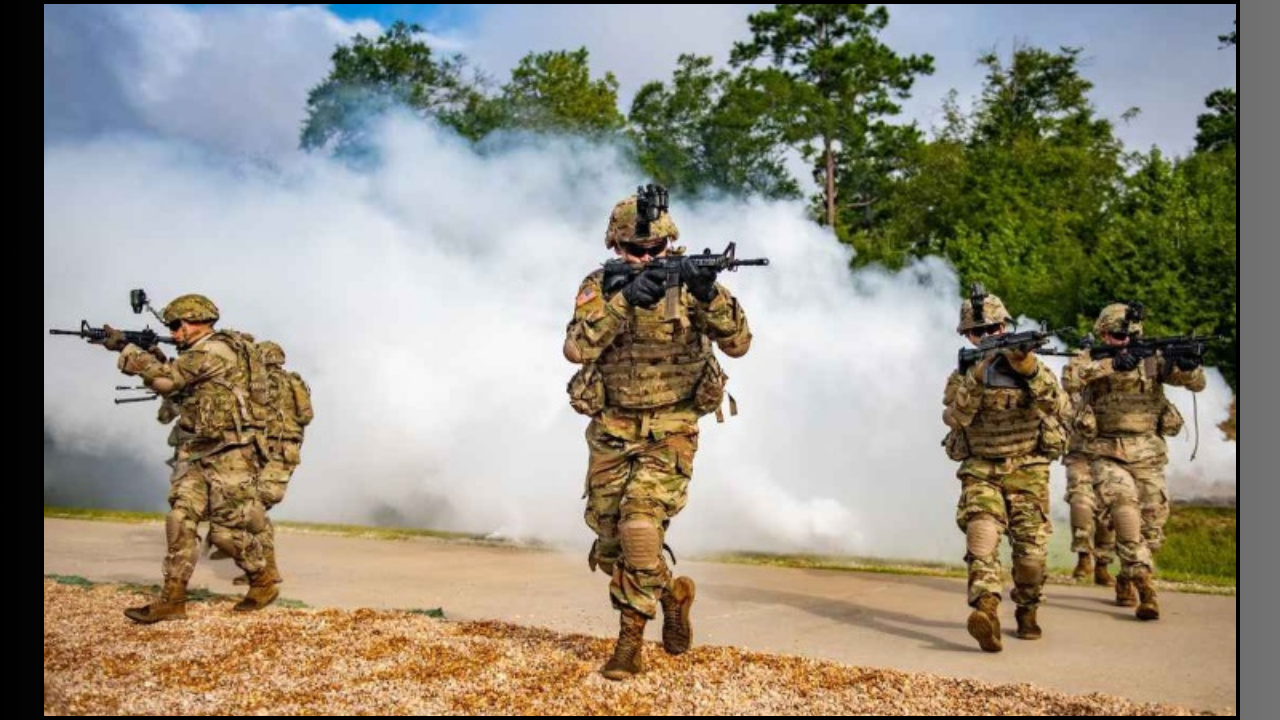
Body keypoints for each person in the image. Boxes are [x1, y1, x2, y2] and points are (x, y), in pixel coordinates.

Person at [563, 185, 753, 679]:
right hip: (611, 427)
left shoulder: (691, 283)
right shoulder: (600, 285)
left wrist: (708, 292)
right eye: (636, 251)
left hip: (671, 425)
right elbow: (576, 348)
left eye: (656, 251)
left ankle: (629, 643)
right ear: (615, 248)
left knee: (640, 528)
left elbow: (739, 344)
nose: (647, 258)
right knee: (611, 549)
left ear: (670, 244)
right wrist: (626, 301)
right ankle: (671, 593)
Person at [92, 293, 278, 623]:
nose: (175, 333)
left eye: (177, 326)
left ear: (195, 322)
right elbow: (181, 385)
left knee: (227, 534)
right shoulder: (202, 353)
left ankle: (262, 582)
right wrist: (151, 353)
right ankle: (173, 598)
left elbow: (167, 380)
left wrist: (126, 349)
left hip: (230, 454)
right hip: (197, 450)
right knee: (180, 518)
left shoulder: (213, 350)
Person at [941, 285, 1069, 652]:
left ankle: (1027, 611)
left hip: (1028, 466)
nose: (986, 337)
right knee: (981, 537)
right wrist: (978, 379)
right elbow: (955, 416)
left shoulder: (1031, 366)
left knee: (1031, 556)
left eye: (993, 330)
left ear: (1006, 328)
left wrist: (1027, 369)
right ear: (967, 335)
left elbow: (1058, 405)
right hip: (981, 466)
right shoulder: (964, 373)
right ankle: (987, 611)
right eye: (977, 332)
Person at [1061, 302, 1206, 619]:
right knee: (1126, 517)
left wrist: (1189, 364)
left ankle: (1127, 577)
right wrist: (1114, 364)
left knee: (1152, 530)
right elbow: (1071, 378)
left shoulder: (1152, 359)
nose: (1124, 341)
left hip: (1148, 456)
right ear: (1103, 333)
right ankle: (1146, 589)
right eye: (1116, 336)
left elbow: (1196, 383)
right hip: (1106, 452)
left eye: (1130, 336)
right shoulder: (1089, 359)